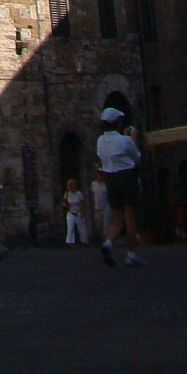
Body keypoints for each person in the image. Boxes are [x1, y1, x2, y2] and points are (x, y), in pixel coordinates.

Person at [96, 107, 143, 267]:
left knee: (117, 218)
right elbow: (137, 158)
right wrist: (133, 139)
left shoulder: (100, 141)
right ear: (118, 123)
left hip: (110, 178)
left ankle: (108, 243)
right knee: (130, 216)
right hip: (126, 176)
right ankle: (131, 254)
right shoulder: (125, 140)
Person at [63, 176, 89, 245]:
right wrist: (65, 205)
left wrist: (82, 212)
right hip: (70, 212)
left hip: (78, 212)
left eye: (71, 185)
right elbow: (64, 202)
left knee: (82, 228)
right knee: (70, 228)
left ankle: (84, 241)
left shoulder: (79, 194)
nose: (70, 186)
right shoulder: (67, 194)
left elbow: (82, 203)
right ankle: (70, 242)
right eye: (69, 185)